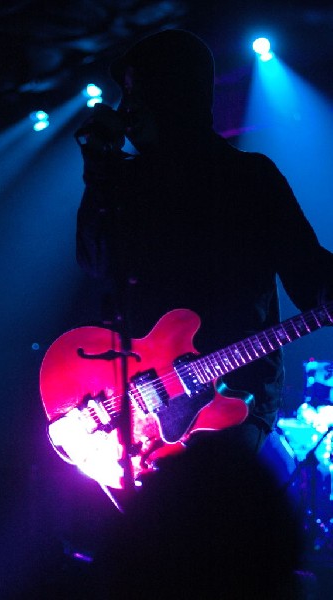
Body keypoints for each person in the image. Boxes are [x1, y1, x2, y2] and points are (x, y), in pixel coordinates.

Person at [75, 28, 333, 598]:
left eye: (135, 92)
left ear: (172, 95)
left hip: (231, 396)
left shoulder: (249, 177)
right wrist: (98, 171)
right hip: (141, 401)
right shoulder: (126, 181)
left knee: (211, 553)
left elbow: (309, 273)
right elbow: (93, 264)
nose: (125, 109)